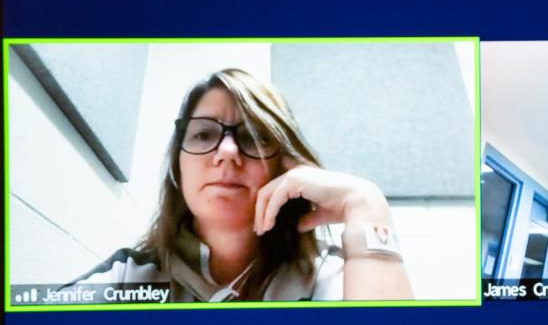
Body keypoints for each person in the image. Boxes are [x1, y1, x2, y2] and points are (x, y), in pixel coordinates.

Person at [62, 68, 413, 301]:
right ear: (178, 167)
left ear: (284, 167)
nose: (227, 153)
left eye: (252, 137)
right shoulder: (127, 278)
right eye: (203, 134)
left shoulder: (330, 276)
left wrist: (366, 203)